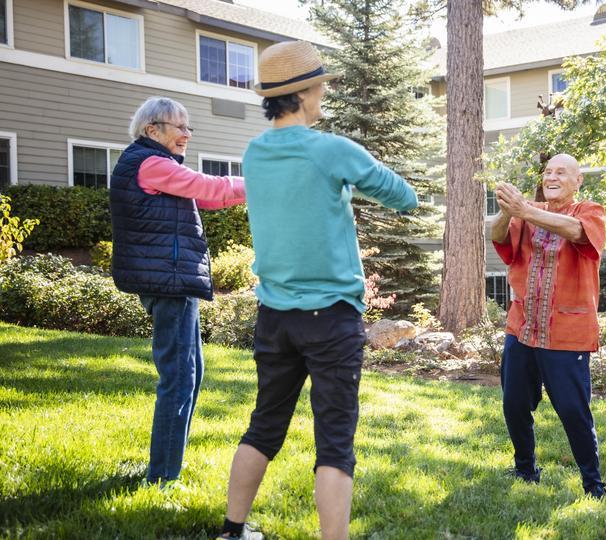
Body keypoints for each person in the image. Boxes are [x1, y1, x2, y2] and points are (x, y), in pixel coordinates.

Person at [218, 41, 417, 540]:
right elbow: (404, 196)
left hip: (274, 317)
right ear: (304, 92)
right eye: (321, 84)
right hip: (331, 318)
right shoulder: (332, 149)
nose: (325, 91)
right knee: (334, 442)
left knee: (264, 425)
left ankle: (232, 529)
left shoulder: (254, 152)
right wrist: (347, 185)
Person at [109, 97, 246, 485]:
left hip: (171, 280)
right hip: (169, 282)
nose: (187, 134)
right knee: (179, 377)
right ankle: (162, 476)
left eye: (189, 127)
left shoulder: (153, 164)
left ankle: (167, 464)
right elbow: (207, 186)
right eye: (179, 126)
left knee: (191, 372)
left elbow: (205, 196)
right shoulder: (151, 164)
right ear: (152, 129)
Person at [490, 153, 606, 500]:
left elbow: (577, 234)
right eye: (547, 171)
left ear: (577, 181)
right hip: (522, 326)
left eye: (561, 172)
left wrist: (526, 210)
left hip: (567, 332)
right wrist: (506, 212)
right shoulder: (524, 212)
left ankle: (592, 482)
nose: (551, 176)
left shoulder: (590, 211)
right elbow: (500, 239)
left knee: (573, 410)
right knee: (514, 403)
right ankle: (525, 468)